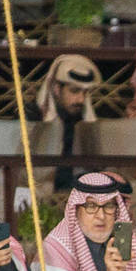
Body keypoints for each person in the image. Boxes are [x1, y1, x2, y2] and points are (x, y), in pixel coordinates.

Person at [34, 53, 100, 188]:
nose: (81, 99)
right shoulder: (34, 117)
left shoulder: (82, 121)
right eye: (74, 91)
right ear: (57, 89)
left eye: (85, 92)